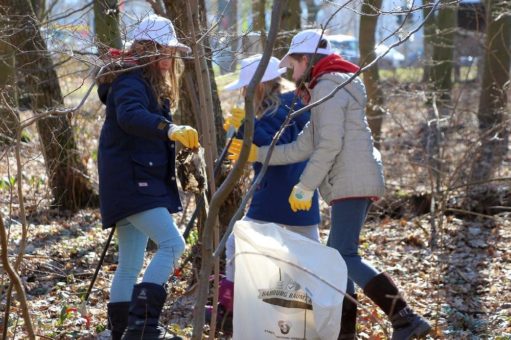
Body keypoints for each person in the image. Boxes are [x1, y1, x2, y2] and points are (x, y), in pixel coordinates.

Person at [227, 30, 431, 340]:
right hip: (349, 179)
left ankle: (404, 318)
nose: (291, 74)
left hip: (351, 179)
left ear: (307, 60)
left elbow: (328, 145)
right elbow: (302, 146)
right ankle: (345, 330)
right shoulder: (325, 90)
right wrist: (257, 153)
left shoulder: (329, 87)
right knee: (339, 258)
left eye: (293, 65)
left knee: (343, 257)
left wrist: (305, 186)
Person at [96, 14, 198, 340]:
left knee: (129, 263)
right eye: (166, 49)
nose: (171, 56)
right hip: (133, 183)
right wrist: (169, 129)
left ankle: (121, 331)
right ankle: (142, 328)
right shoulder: (130, 81)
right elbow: (130, 117)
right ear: (149, 49)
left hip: (136, 181)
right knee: (172, 244)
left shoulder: (146, 83)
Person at [209, 54, 321, 332]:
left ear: (260, 85)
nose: (245, 92)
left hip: (280, 192)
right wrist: (238, 133)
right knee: (304, 258)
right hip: (291, 191)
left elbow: (274, 140)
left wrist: (246, 127)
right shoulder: (283, 103)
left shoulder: (286, 104)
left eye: (247, 87)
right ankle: (296, 318)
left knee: (242, 241)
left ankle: (232, 309)